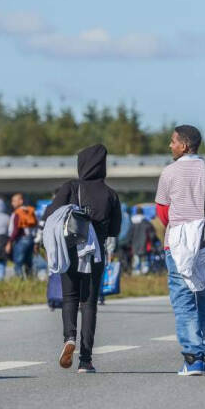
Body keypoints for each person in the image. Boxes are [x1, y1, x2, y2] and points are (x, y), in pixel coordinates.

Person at [155, 125, 205, 376]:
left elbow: (162, 211)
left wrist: (180, 226)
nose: (170, 146)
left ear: (185, 145)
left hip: (178, 244)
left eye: (173, 142)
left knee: (183, 302)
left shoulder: (168, 173)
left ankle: (194, 357)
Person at [43, 144, 122, 374]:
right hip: (95, 255)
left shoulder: (71, 186)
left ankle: (69, 337)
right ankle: (85, 360)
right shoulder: (110, 194)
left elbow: (51, 214)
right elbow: (116, 229)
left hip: (69, 249)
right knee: (89, 303)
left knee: (69, 297)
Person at [6, 193, 38, 278]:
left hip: (21, 240)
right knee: (29, 263)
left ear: (21, 201)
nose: (12, 203)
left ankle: (19, 282)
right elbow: (36, 227)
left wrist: (9, 242)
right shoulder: (31, 211)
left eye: (14, 201)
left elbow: (15, 230)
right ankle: (30, 279)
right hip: (31, 239)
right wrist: (35, 242)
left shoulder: (17, 213)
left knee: (18, 263)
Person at [130, 206, 156, 275]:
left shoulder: (132, 222)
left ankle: (136, 272)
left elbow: (130, 235)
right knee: (144, 259)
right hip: (144, 244)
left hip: (134, 244)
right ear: (142, 213)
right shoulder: (146, 222)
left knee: (136, 259)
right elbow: (152, 234)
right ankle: (144, 272)